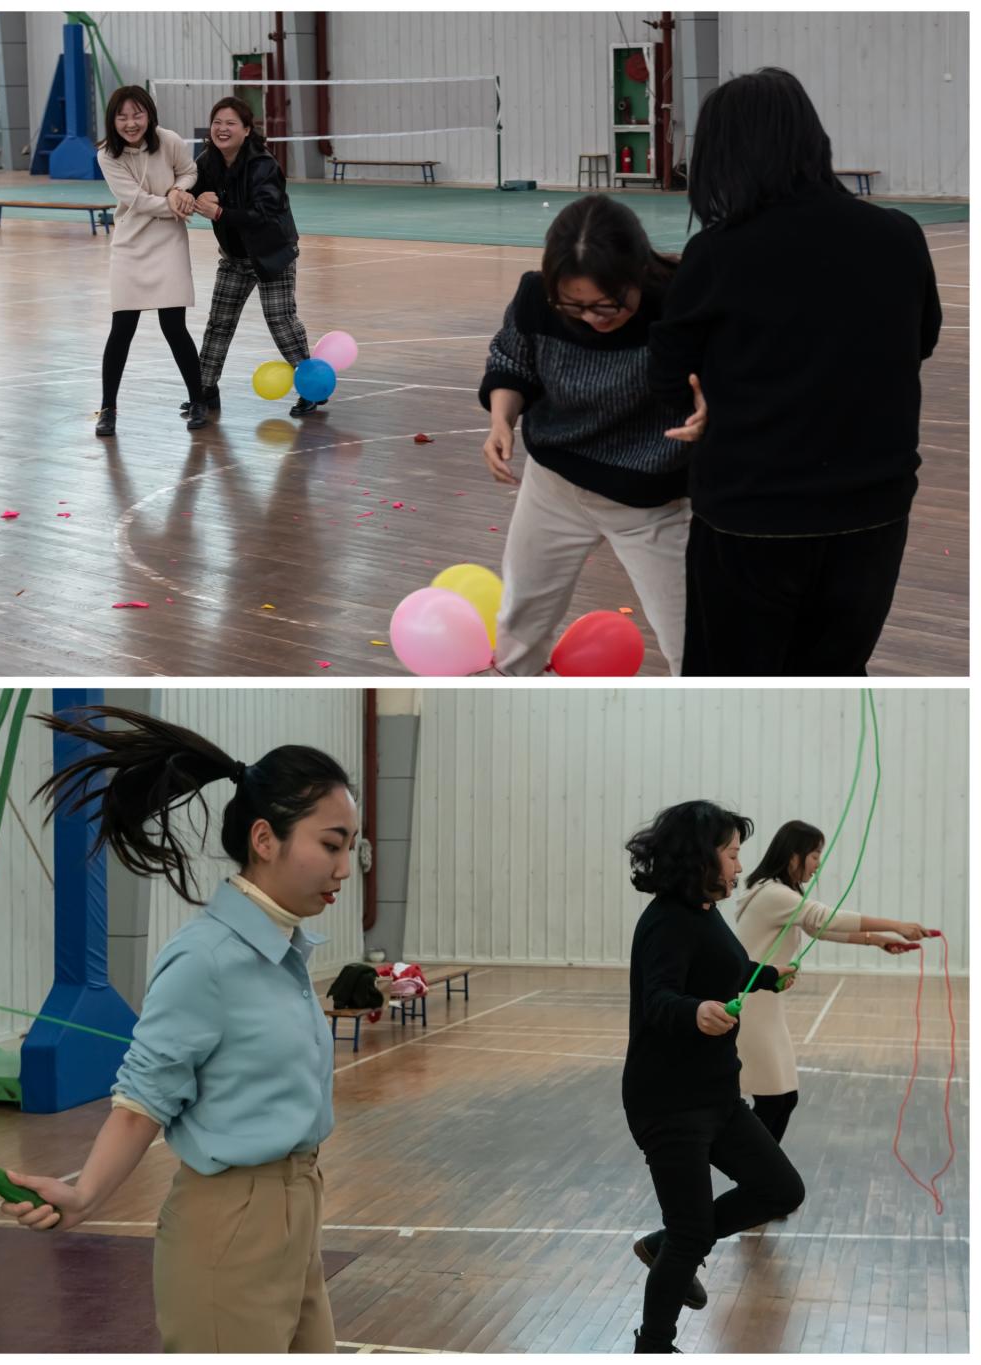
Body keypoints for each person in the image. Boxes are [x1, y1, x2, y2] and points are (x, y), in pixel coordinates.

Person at [0, 705, 358, 1354]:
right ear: (265, 839)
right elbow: (141, 1102)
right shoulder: (204, 958)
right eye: (331, 844)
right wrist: (84, 1194)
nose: (345, 867)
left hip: (300, 1215)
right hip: (229, 1234)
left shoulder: (286, 955)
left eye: (352, 846)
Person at [648, 68, 943, 677]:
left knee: (732, 691)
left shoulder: (717, 253)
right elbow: (921, 340)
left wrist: (704, 399)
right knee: (832, 680)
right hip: (873, 511)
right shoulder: (899, 236)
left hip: (752, 515)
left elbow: (670, 377)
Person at [479, 194, 706, 676]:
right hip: (553, 488)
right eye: (574, 306)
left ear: (638, 272)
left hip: (649, 503)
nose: (593, 318)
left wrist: (713, 407)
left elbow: (728, 372)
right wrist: (501, 421)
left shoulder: (679, 301)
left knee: (691, 641)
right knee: (520, 622)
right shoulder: (535, 298)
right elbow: (511, 362)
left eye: (608, 305)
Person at [622, 800, 804, 1353]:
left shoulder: (704, 911)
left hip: (717, 1096)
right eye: (731, 854)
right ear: (700, 858)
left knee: (780, 1190)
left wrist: (766, 976)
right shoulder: (666, 921)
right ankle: (654, 1346)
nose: (739, 865)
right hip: (668, 1103)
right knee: (693, 1232)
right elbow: (658, 998)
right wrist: (695, 1012)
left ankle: (663, 1243)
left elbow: (726, 967)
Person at [734, 819, 928, 1142]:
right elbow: (825, 918)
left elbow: (818, 929)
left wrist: (877, 940)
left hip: (766, 1008)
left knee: (784, 1099)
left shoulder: (778, 893)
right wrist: (896, 925)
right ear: (793, 857)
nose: (818, 865)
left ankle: (757, 1167)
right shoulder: (772, 894)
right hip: (751, 1008)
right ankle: (753, 1166)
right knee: (774, 1101)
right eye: (814, 856)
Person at [175, 97, 321, 420]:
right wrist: (188, 195)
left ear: (245, 130)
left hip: (272, 254)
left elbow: (263, 214)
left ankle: (312, 388)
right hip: (234, 257)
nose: (222, 129)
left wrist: (220, 212)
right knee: (219, 323)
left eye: (230, 123)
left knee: (281, 321)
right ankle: (205, 390)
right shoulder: (208, 160)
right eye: (217, 122)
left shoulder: (263, 164)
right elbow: (191, 184)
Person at [95, 86, 207, 437]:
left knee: (174, 326)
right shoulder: (107, 155)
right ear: (113, 120)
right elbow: (138, 200)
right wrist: (178, 205)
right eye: (122, 117)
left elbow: (189, 171)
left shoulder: (169, 140)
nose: (131, 123)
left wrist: (179, 190)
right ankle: (108, 408)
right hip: (130, 244)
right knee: (122, 328)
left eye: (137, 115)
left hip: (169, 241)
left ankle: (198, 400)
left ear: (149, 115)